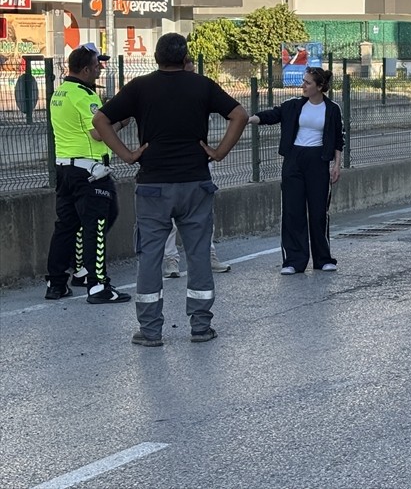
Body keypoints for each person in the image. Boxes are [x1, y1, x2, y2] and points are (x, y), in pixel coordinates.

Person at [93, 33, 248, 347]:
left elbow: (101, 120)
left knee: (150, 256)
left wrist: (127, 155)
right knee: (199, 254)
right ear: (185, 56)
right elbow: (240, 115)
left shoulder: (140, 87)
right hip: (195, 183)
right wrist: (218, 152)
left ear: (156, 57)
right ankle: (201, 326)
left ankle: (150, 331)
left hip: (153, 186)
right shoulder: (201, 85)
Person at [44, 43, 132, 304]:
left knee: (66, 226)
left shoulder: (59, 93)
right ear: (84, 69)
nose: (100, 69)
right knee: (98, 223)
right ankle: (98, 285)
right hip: (90, 172)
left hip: (65, 169)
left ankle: (57, 282)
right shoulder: (85, 95)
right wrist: (121, 121)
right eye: (96, 65)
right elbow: (97, 131)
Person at [248, 66, 344, 275]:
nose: (303, 85)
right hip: (294, 160)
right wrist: (250, 118)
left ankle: (323, 259)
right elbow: (273, 115)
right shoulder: (293, 105)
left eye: (308, 82)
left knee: (318, 212)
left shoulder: (332, 109)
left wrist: (336, 165)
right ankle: (293, 260)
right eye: (304, 81)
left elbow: (338, 138)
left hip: (318, 161)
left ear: (320, 87)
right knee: (293, 211)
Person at [163, 57, 229, 277]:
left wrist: (215, 152)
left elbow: (235, 114)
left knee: (203, 215)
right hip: (166, 164)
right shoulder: (160, 91)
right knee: (168, 217)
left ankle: (208, 255)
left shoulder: (201, 90)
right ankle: (171, 260)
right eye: (188, 71)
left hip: (196, 164)